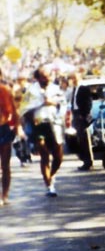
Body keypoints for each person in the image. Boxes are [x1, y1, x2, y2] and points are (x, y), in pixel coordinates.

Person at [20, 67, 66, 196]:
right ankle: (49, 186)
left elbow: (63, 105)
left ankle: (51, 175)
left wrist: (52, 103)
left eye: (48, 76)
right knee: (44, 154)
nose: (48, 79)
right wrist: (31, 116)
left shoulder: (55, 89)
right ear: (38, 78)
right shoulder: (31, 91)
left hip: (54, 124)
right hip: (39, 125)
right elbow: (24, 109)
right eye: (44, 77)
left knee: (58, 156)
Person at [0, 72, 22, 205]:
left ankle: (4, 195)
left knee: (5, 165)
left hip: (3, 129)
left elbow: (14, 111)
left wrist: (18, 127)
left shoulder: (5, 91)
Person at [70, 73, 95, 170]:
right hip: (76, 115)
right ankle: (84, 160)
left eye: (75, 78)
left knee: (85, 139)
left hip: (82, 115)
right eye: (72, 78)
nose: (73, 80)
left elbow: (88, 102)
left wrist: (84, 114)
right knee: (80, 139)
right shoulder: (74, 89)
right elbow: (74, 102)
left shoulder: (83, 88)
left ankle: (88, 161)